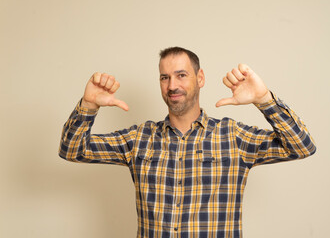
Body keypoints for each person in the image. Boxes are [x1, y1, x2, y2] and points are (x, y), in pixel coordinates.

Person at [59, 47, 316, 238]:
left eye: (181, 75)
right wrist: (89, 105)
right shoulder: (139, 139)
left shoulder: (232, 136)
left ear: (200, 78)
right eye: (164, 77)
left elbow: (302, 145)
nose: (172, 85)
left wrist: (263, 99)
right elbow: (72, 150)